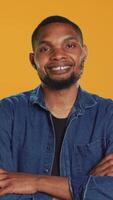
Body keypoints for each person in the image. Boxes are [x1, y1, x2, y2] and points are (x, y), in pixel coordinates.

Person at [0, 15, 113, 200]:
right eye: (45, 48)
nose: (58, 55)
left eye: (69, 46)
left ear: (83, 53)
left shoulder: (109, 114)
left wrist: (37, 182)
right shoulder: (6, 113)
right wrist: (84, 186)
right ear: (32, 59)